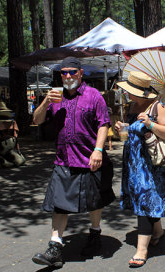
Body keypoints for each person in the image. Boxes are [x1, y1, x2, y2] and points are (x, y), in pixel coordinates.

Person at [31, 57, 115, 268]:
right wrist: (45, 102)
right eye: (63, 73)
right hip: (63, 160)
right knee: (59, 205)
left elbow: (104, 123)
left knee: (93, 202)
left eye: (72, 72)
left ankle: (95, 233)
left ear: (80, 73)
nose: (67, 76)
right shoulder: (55, 97)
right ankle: (55, 247)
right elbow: (37, 120)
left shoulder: (93, 95)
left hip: (89, 159)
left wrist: (98, 150)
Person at [115, 71, 165, 268]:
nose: (127, 94)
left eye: (130, 91)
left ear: (141, 93)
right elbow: (128, 137)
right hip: (133, 163)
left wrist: (150, 124)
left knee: (145, 201)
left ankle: (142, 250)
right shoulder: (132, 106)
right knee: (145, 200)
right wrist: (122, 130)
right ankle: (157, 231)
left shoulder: (158, 106)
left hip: (151, 165)